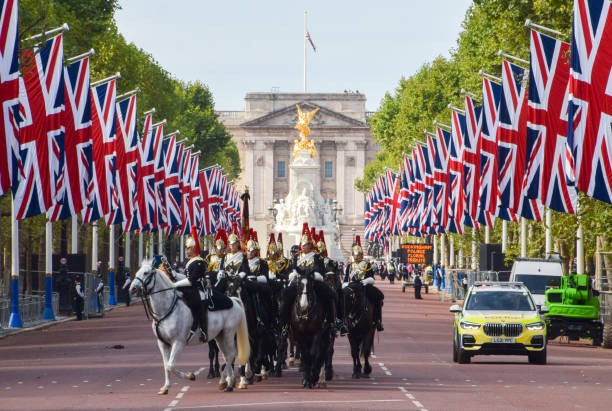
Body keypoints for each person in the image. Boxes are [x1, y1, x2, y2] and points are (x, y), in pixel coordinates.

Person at [280, 223, 337, 336]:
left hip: (313, 282)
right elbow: (293, 269)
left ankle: (331, 323)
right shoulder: (297, 257)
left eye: (305, 244)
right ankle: (285, 325)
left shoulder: (316, 257)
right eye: (303, 244)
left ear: (310, 245)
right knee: (285, 297)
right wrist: (294, 273)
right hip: (299, 283)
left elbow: (319, 270)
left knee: (329, 296)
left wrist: (313, 275)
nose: (303, 246)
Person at [172, 236, 209, 342]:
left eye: (188, 248)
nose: (186, 250)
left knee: (196, 303)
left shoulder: (199, 262)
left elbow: (191, 280)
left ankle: (203, 330)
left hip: (198, 288)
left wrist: (175, 285)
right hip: (191, 286)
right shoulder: (190, 261)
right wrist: (173, 274)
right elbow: (186, 278)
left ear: (193, 248)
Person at [343, 236, 385, 331]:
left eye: (358, 255)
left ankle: (378, 321)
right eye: (355, 255)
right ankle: (342, 322)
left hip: (364, 286)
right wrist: (346, 285)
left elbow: (371, 278)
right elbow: (346, 279)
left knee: (378, 296)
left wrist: (364, 282)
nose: (356, 256)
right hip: (351, 286)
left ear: (361, 255)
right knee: (342, 298)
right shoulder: (350, 266)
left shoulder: (366, 264)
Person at [317, 232, 347, 335]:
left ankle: (340, 320)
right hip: (319, 285)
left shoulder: (331, 262)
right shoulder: (314, 262)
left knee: (340, 294)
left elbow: (336, 275)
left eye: (322, 250)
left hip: (330, 285)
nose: (321, 253)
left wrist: (337, 284)